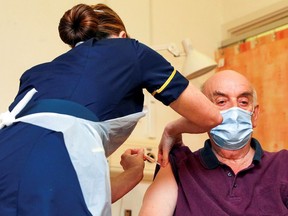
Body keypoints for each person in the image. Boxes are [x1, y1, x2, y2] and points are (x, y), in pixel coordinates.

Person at [0, 3, 222, 216]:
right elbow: (210, 116)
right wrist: (171, 130)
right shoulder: (130, 50)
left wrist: (133, 174)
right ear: (122, 35)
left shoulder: (37, 74)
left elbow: (82, 194)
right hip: (54, 159)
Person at [139, 69, 288, 216]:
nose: (234, 111)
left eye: (243, 102)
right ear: (201, 113)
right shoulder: (180, 165)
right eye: (221, 102)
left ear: (254, 115)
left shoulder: (282, 164)